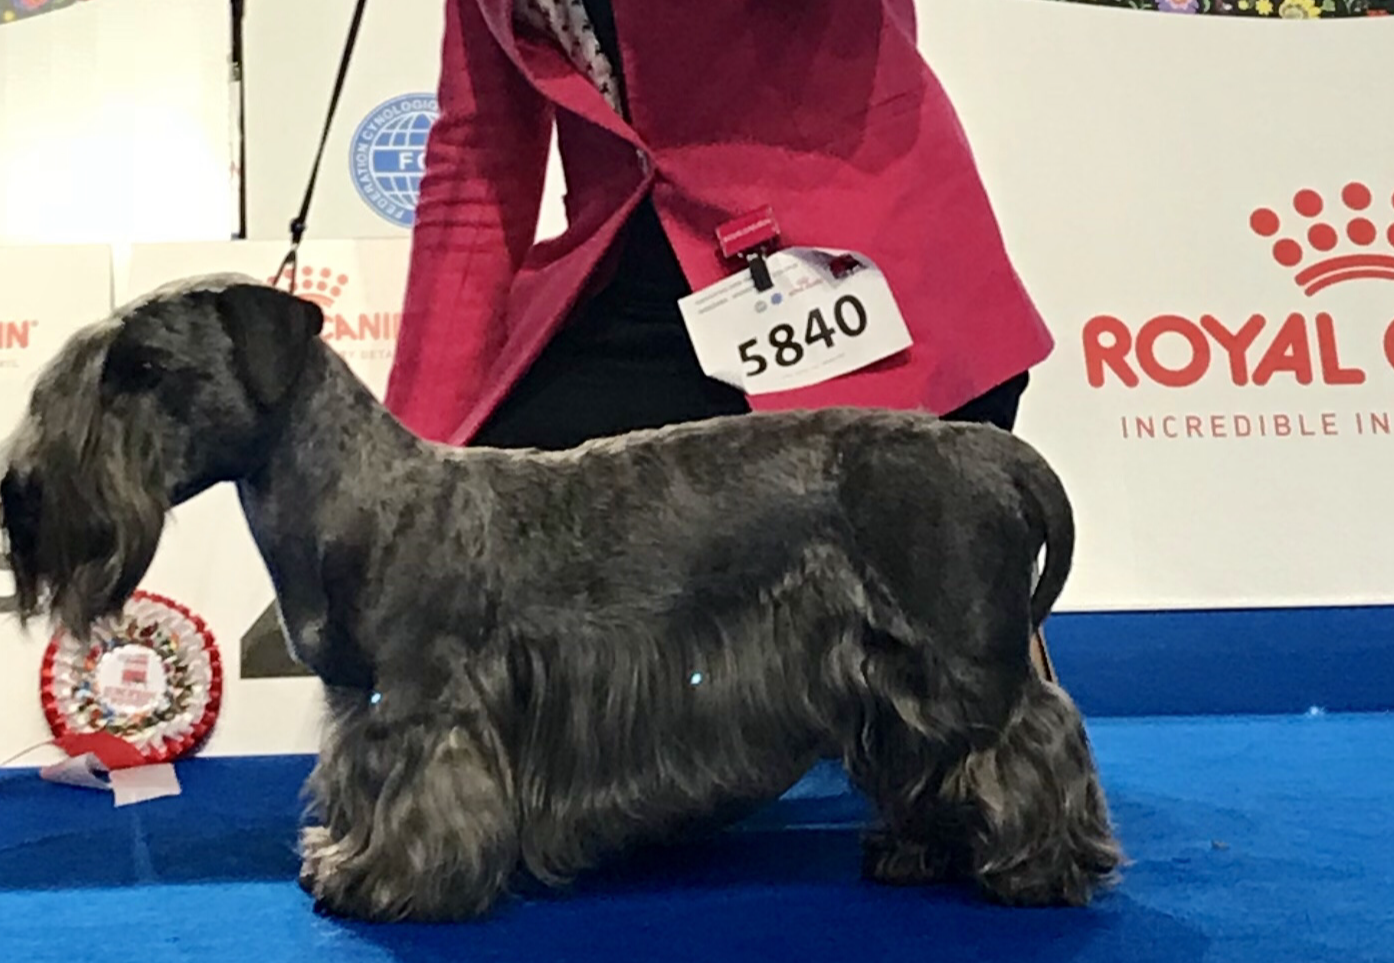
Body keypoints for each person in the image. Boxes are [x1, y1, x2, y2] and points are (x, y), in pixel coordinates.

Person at [384, 0, 1059, 676]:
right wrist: (410, 461)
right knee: (495, 555)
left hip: (858, 269)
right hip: (637, 293)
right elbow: (479, 160)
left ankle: (983, 641)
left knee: (925, 691)